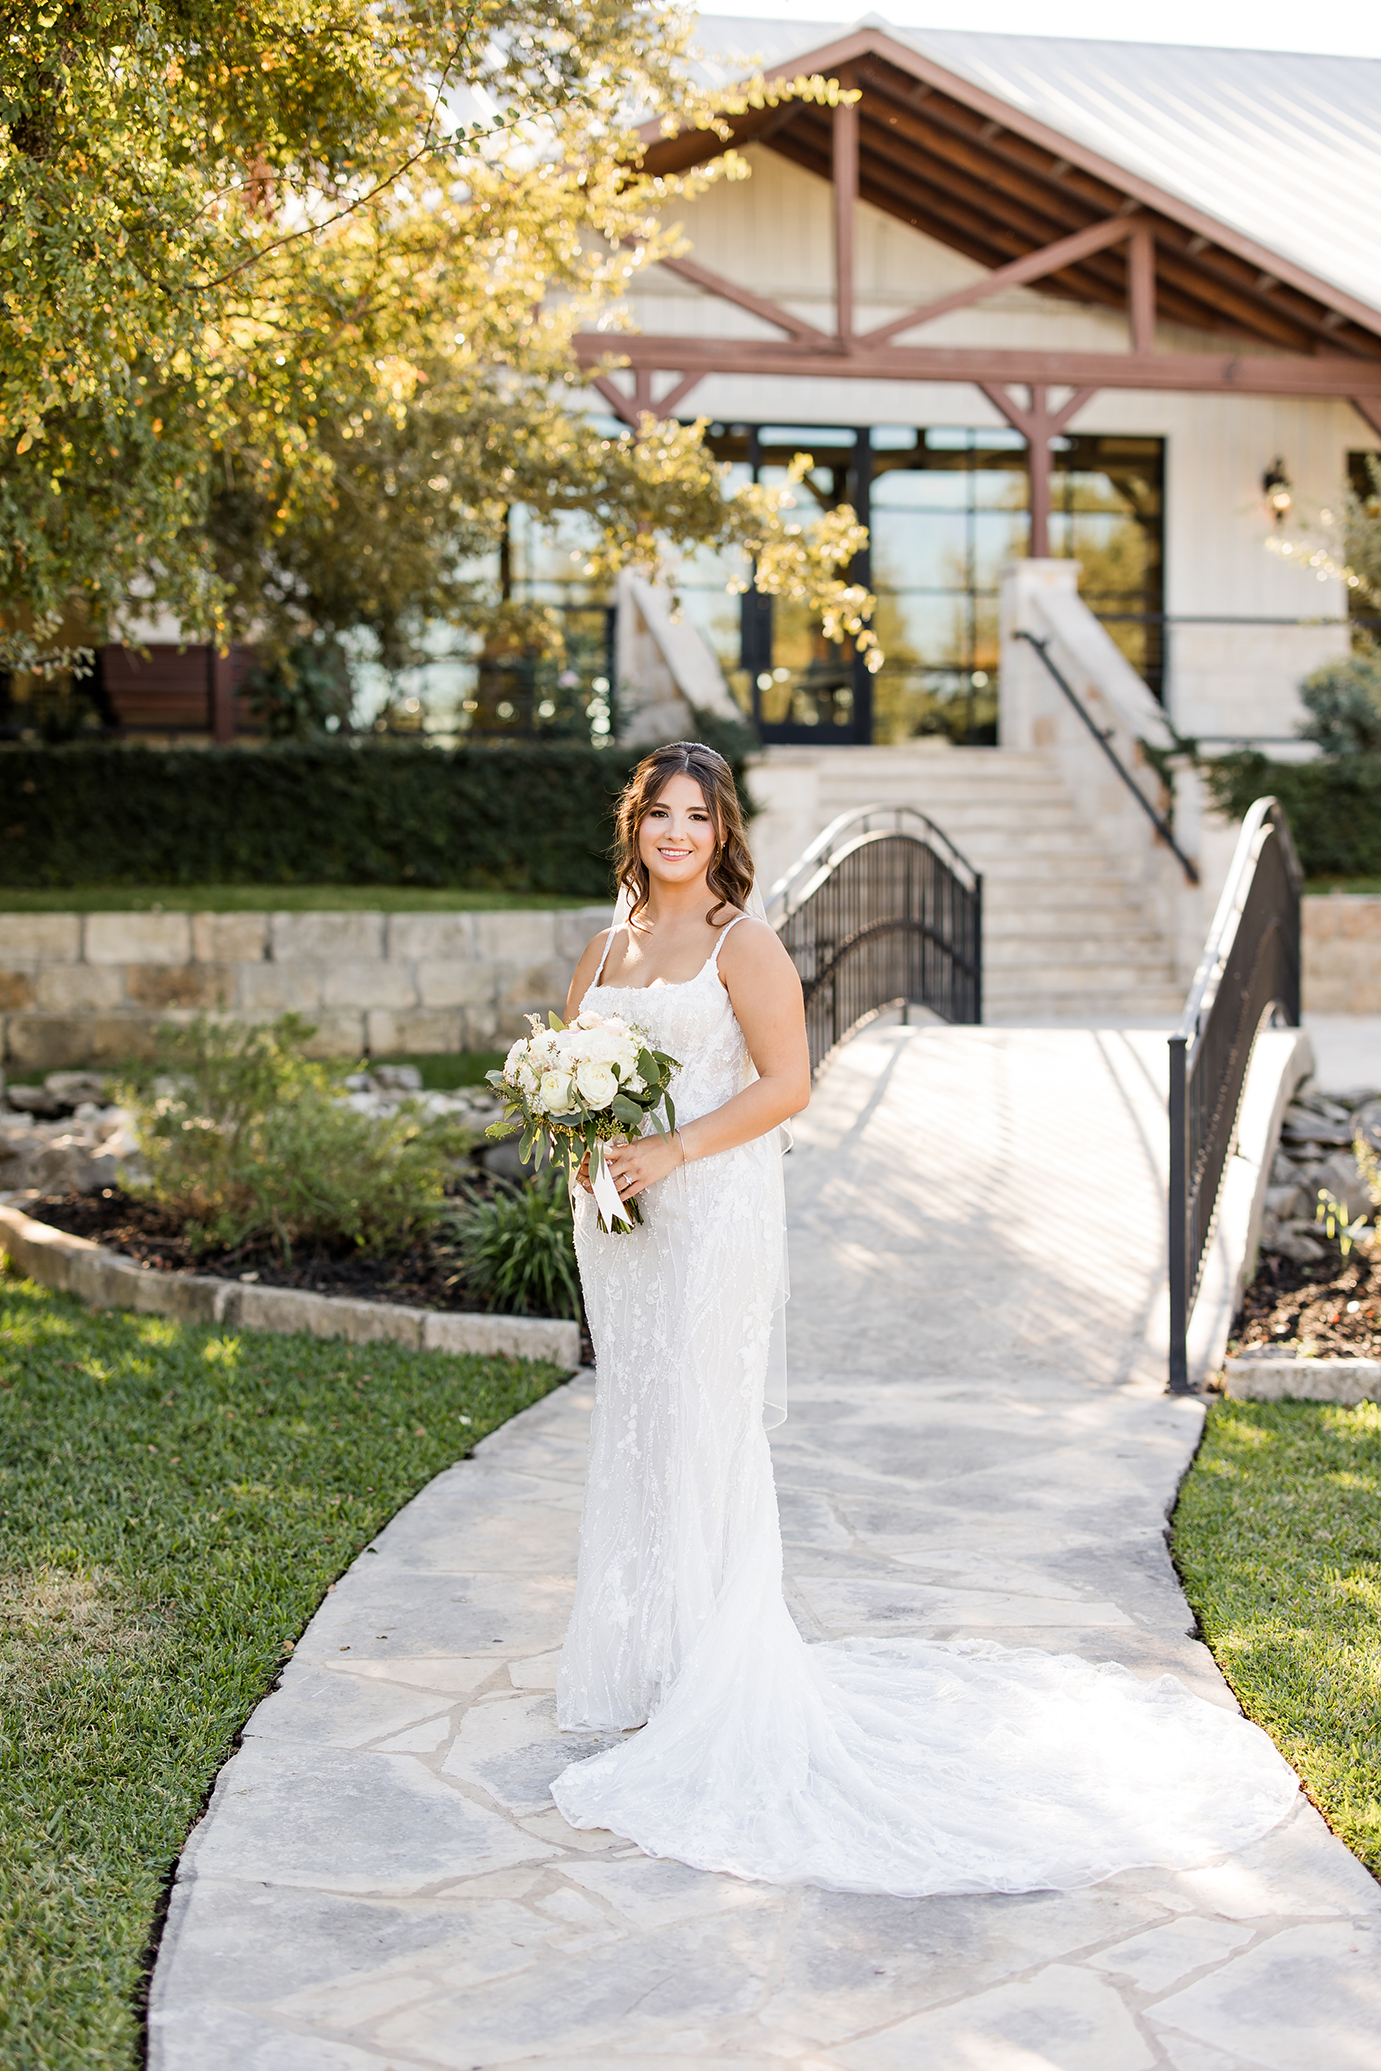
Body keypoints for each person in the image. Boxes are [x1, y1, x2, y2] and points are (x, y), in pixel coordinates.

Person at [549, 739, 1298, 1895]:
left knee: (704, 1429)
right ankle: (649, 1659)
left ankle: (715, 1671)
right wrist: (586, 1150)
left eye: (697, 815)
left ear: (721, 830)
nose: (677, 833)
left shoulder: (745, 944)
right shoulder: (604, 949)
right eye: (660, 813)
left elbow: (787, 1084)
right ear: (633, 823)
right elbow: (570, 1073)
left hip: (711, 1216)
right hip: (625, 1228)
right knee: (641, 1424)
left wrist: (671, 1149)